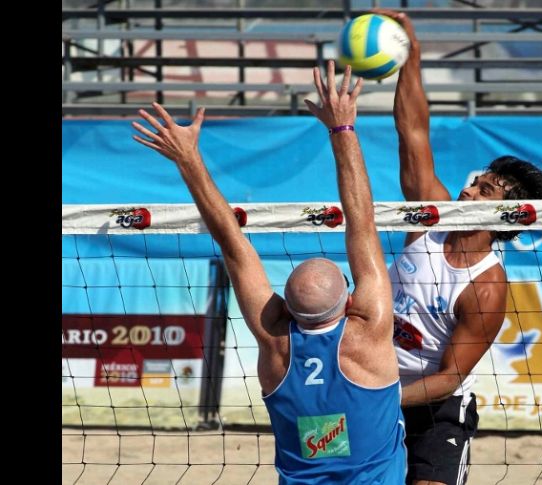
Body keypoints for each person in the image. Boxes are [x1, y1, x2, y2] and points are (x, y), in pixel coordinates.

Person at [131, 61, 406, 485]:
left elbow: (233, 244)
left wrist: (188, 159)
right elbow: (361, 221)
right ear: (349, 300)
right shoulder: (367, 333)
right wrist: (342, 130)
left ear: (286, 305)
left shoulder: (275, 341)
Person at [373, 9, 542, 485]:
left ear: (504, 216)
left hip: (436, 408)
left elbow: (449, 378)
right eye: (476, 180)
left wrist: (377, 395)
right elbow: (412, 130)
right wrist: (409, 56)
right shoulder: (429, 218)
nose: (469, 190)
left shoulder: (487, 287)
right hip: (373, 377)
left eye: (486, 189)